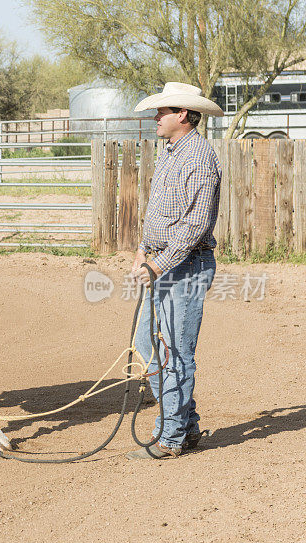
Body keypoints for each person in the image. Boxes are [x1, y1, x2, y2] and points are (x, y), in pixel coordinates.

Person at [126, 82, 224, 459]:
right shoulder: (171, 152)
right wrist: (142, 252)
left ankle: (170, 438)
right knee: (147, 345)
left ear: (182, 115)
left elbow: (194, 226)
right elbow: (158, 214)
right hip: (162, 262)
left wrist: (157, 263)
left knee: (176, 353)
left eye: (162, 112)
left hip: (185, 266)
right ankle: (187, 425)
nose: (156, 117)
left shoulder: (199, 158)